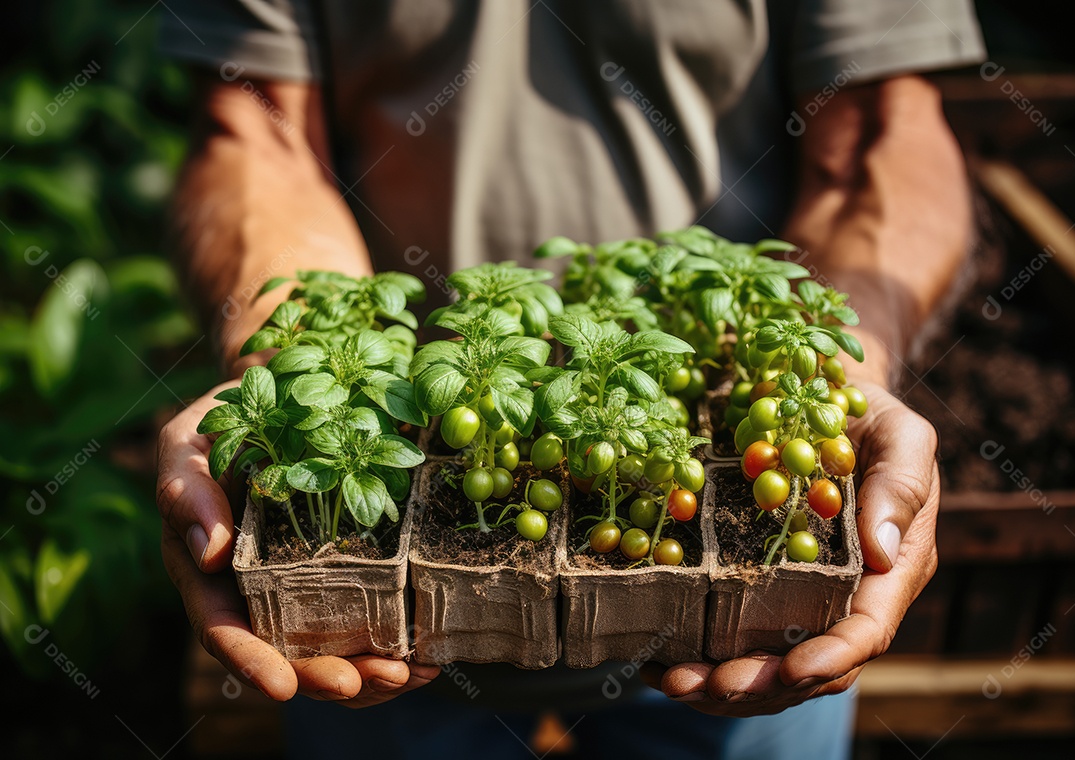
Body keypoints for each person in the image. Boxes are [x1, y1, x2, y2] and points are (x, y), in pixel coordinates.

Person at [155, 1, 985, 756]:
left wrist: (842, 370)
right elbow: (258, 133)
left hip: (744, 641)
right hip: (381, 635)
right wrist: (284, 363)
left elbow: (883, 129)